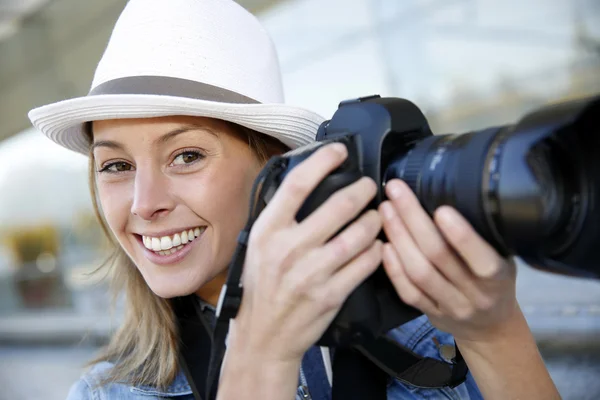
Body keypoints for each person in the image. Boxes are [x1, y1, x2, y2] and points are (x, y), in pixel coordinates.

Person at [28, 0, 561, 399]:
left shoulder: (428, 333)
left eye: (186, 156)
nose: (145, 204)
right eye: (116, 166)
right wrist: (261, 354)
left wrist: (495, 334)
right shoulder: (109, 392)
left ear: (275, 170)